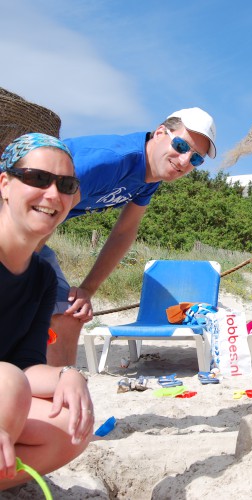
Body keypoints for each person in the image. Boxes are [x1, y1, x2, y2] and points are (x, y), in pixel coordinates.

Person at [37, 107, 217, 366]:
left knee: (67, 313)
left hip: (29, 232)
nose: (185, 160)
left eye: (196, 158)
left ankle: (49, 384)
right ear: (159, 132)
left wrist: (88, 289)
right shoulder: (111, 161)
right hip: (12, 224)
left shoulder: (147, 179)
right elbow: (39, 212)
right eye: (180, 145)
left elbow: (124, 231)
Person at [0, 133, 93, 490]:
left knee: (71, 426)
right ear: (5, 184)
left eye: (66, 184)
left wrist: (68, 374)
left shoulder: (40, 275)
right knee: (9, 385)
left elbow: (27, 362)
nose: (53, 194)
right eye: (37, 178)